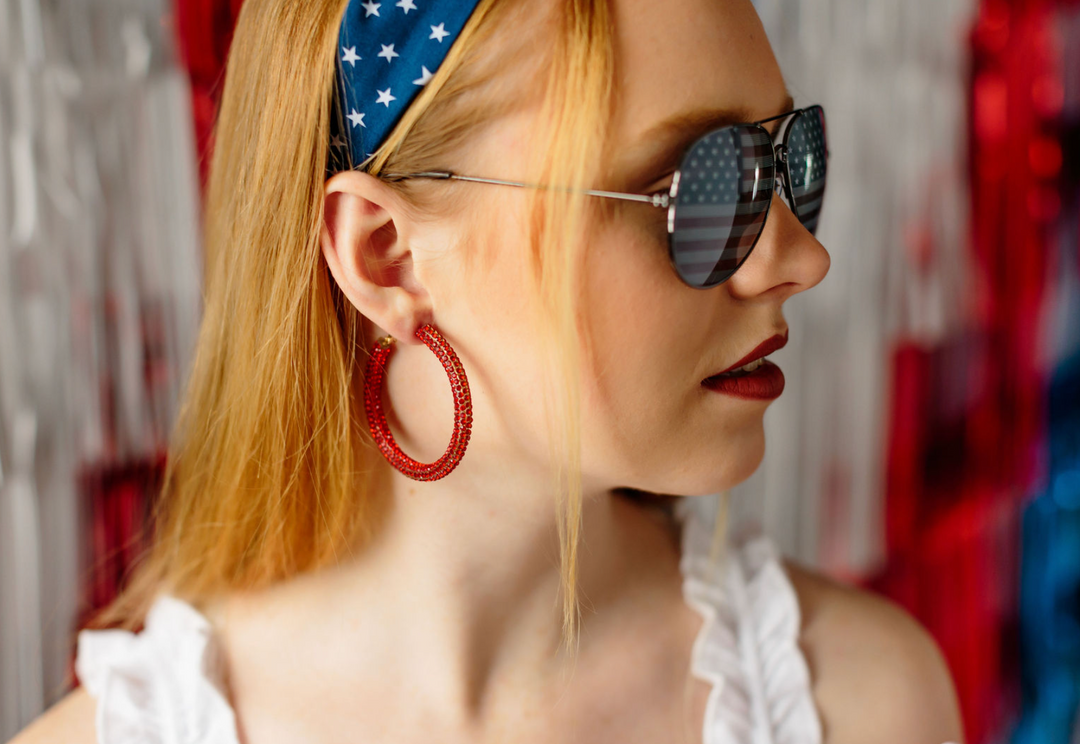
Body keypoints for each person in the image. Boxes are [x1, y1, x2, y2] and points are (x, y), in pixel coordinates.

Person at [11, 0, 966, 742]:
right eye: (703, 189)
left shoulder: (864, 706)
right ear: (388, 255)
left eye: (791, 160)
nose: (798, 259)